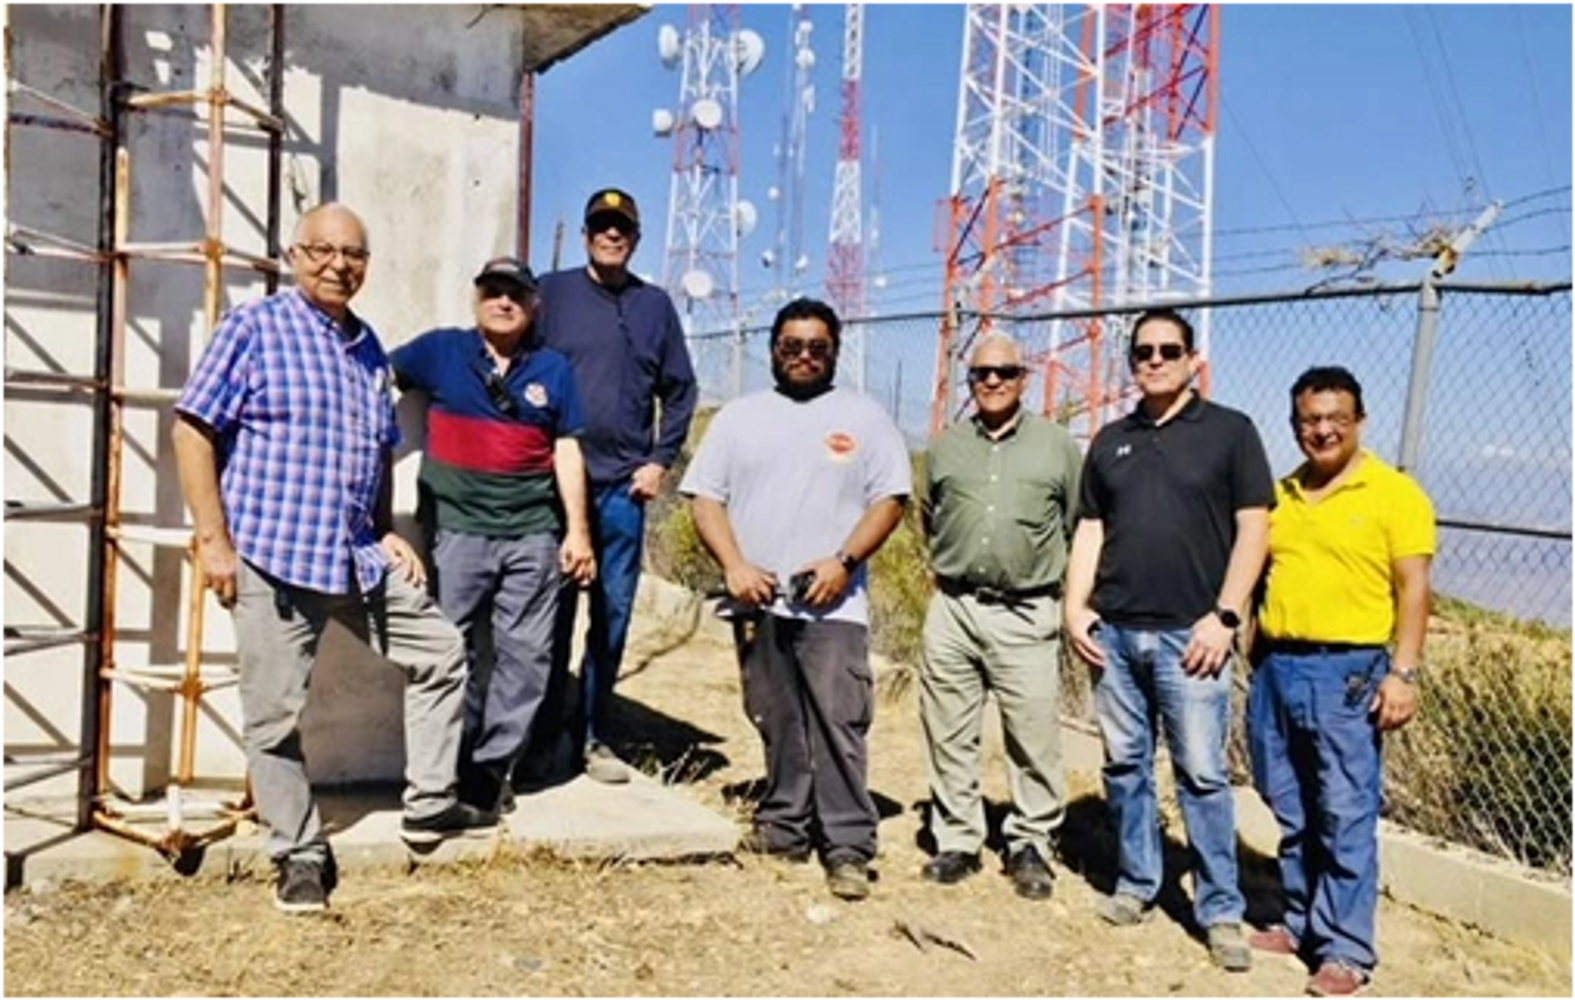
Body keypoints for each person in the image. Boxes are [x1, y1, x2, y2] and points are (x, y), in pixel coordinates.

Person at [172, 203, 496, 915]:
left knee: (441, 652)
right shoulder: (254, 328)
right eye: (321, 250)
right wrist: (213, 540)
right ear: (294, 255)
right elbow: (192, 429)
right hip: (273, 557)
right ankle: (297, 853)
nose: (337, 265)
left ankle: (430, 803)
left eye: (352, 254)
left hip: (352, 558)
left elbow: (377, 450)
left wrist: (383, 531)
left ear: (365, 266)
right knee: (274, 720)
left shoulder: (368, 348)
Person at [1063, 307, 1272, 971]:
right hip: (1115, 634)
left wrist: (1225, 616)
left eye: (1168, 350)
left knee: (1202, 775)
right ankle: (1137, 883)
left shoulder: (1230, 432)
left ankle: (1220, 910)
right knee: (1125, 767)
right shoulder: (1110, 440)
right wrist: (1074, 606)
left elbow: (1254, 528)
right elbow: (1091, 528)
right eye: (1143, 352)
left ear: (1191, 359)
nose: (1154, 360)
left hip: (1193, 638)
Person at [680, 297, 909, 901]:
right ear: (773, 349)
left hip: (833, 605)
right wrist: (734, 566)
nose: (803, 356)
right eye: (791, 346)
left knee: (838, 721)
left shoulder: (865, 418)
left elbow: (890, 500)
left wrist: (843, 563)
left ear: (834, 352)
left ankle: (847, 845)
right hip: (758, 601)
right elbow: (706, 497)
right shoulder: (739, 418)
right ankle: (783, 826)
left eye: (817, 347)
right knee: (773, 715)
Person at [1247, 366, 1434, 998]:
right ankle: (1300, 921)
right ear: (1294, 424)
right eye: (1310, 420)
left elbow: (1414, 589)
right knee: (1287, 800)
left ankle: (1346, 948)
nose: (1322, 430)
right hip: (1277, 666)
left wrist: (1403, 673)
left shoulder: (1394, 495)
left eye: (1335, 418)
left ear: (1359, 421)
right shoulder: (1282, 494)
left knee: (1344, 810)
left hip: (1349, 672)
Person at [388, 257, 596, 814]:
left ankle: (489, 770)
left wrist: (577, 533)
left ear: (533, 306)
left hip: (533, 535)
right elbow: (373, 376)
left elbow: (567, 448)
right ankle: (447, 767)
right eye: (493, 291)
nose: (504, 302)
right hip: (456, 533)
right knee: (449, 652)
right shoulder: (440, 351)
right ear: (475, 297)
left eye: (515, 294)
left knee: (525, 658)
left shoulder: (553, 369)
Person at [529, 187, 698, 784]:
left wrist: (659, 461)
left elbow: (681, 390)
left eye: (621, 228)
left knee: (613, 615)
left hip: (623, 491)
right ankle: (543, 736)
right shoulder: (551, 293)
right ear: (585, 235)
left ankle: (594, 737)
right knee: (550, 615)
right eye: (601, 226)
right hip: (556, 485)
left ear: (635, 239)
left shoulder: (654, 307)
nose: (611, 235)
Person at [917, 334, 1080, 900]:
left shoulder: (1057, 447)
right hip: (954, 607)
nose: (992, 382)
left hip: (1026, 610)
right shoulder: (945, 447)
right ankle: (957, 839)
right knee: (948, 730)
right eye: (981, 373)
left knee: (1032, 733)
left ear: (1023, 378)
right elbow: (930, 517)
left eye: (1004, 372)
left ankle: (1030, 842)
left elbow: (1076, 524)